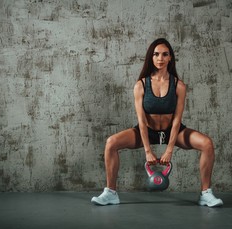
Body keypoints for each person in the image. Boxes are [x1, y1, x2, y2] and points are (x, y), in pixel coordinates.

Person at [91, 38, 223, 207]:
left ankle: (206, 194)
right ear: (151, 58)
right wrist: (148, 151)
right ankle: (110, 193)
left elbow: (177, 120)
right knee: (111, 142)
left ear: (170, 58)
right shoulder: (141, 85)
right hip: (146, 130)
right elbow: (141, 120)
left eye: (164, 54)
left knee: (207, 143)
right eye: (156, 54)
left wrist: (169, 150)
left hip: (171, 131)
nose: (160, 58)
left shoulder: (179, 86)